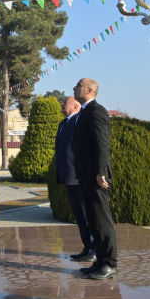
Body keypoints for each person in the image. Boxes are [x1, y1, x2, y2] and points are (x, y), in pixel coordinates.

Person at [72, 77, 118, 279]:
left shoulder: (97, 111)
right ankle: (99, 261)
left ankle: (110, 263)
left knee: (102, 220)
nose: (74, 88)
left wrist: (101, 172)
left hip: (96, 176)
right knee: (93, 221)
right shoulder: (84, 112)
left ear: (89, 90)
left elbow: (102, 143)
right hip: (85, 174)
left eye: (78, 85)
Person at [54, 96, 95, 262]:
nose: (62, 104)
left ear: (76, 106)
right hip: (67, 175)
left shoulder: (79, 121)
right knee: (79, 215)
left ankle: (94, 249)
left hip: (78, 176)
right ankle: (87, 247)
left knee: (86, 214)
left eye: (66, 102)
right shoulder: (63, 123)